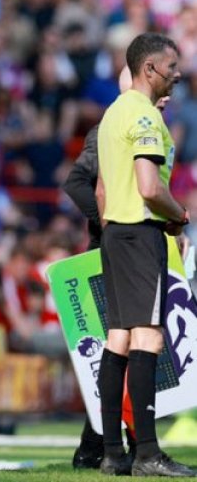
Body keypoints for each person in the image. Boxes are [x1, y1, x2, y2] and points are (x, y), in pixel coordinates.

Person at [63, 65, 175, 470]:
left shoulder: (128, 121)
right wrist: (111, 221)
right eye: (166, 77)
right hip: (125, 241)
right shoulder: (122, 123)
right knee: (135, 341)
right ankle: (130, 448)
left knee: (118, 343)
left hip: (119, 240)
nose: (169, 89)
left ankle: (105, 448)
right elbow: (80, 183)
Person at [96, 32, 195, 477]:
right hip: (140, 232)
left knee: (118, 337)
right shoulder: (145, 117)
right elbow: (150, 187)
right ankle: (148, 454)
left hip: (116, 233)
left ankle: (112, 453)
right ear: (150, 69)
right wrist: (180, 217)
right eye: (172, 67)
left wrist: (114, 229)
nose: (178, 74)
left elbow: (102, 189)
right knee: (148, 338)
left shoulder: (114, 113)